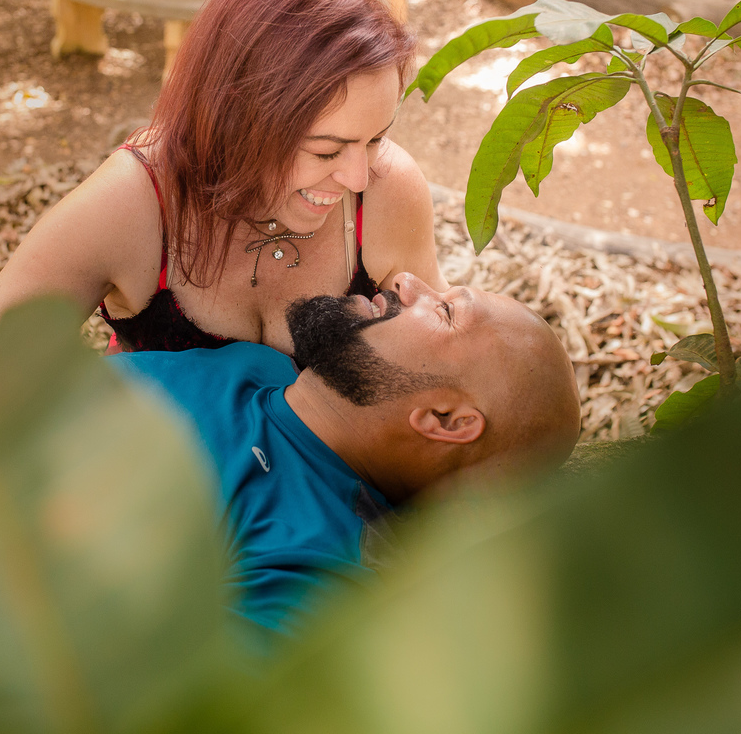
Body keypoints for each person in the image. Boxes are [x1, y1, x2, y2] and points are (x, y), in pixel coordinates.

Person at [0, 0, 446, 388]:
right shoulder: (134, 202)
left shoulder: (387, 191)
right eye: (326, 151)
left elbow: (453, 366)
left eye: (376, 138)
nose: (357, 177)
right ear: (236, 117)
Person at [112, 273, 583, 642]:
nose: (405, 281)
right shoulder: (271, 369)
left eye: (444, 310)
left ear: (444, 419)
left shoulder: (313, 574)